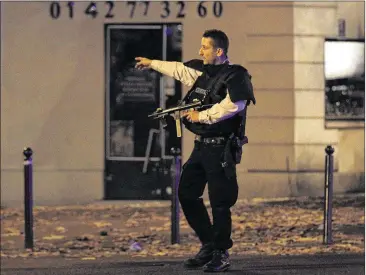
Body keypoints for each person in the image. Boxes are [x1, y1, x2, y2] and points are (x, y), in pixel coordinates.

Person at [135, 29, 255, 273]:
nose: (200, 52)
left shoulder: (236, 75)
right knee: (187, 194)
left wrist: (202, 115)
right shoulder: (203, 73)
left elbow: (234, 105)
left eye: (205, 47)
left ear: (219, 51)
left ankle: (221, 253)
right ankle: (209, 245)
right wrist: (152, 64)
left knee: (220, 203)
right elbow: (178, 70)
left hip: (221, 149)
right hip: (201, 147)